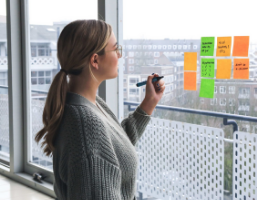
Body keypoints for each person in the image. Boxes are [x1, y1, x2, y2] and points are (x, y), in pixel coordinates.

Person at [35, 19, 165, 200]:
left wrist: (149, 103)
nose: (120, 55)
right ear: (95, 60)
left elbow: (115, 151)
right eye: (116, 49)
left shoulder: (88, 104)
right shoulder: (85, 124)